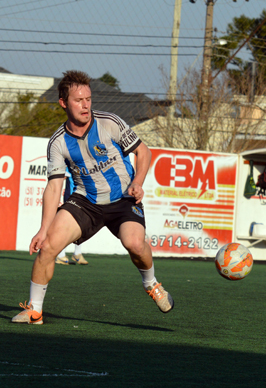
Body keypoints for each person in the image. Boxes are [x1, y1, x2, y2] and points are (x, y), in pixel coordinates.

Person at [11, 70, 173, 324]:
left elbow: (144, 152)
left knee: (135, 245)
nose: (86, 105)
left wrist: (138, 183)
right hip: (86, 202)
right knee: (48, 246)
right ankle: (35, 310)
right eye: (79, 100)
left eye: (88, 99)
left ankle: (151, 283)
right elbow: (54, 187)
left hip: (123, 198)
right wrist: (43, 230)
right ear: (64, 103)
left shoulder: (109, 122)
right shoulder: (57, 142)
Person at [56, 169, 88, 265]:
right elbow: (62, 177)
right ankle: (60, 255)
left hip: (83, 195)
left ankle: (77, 253)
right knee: (68, 225)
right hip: (73, 195)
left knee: (82, 224)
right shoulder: (69, 158)